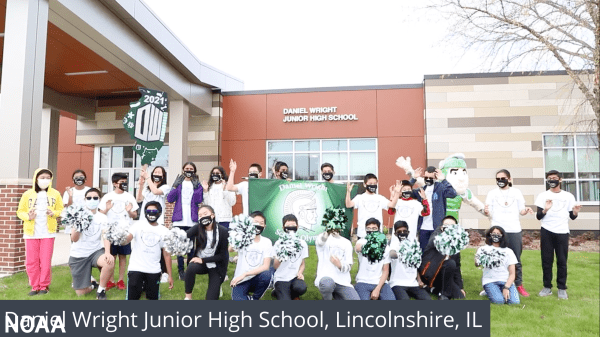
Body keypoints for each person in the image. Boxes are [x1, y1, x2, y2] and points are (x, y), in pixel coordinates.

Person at [484, 169, 534, 297]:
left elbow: (521, 210)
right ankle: (492, 284)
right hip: (497, 230)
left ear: (509, 179)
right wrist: (486, 211)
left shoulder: (516, 192)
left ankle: (518, 285)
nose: (500, 181)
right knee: (494, 258)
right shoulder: (492, 193)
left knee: (515, 259)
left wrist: (526, 210)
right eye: (498, 179)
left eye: (503, 178)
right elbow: (488, 211)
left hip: (513, 229)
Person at [17, 168, 64, 296]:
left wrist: (53, 213)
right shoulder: (27, 194)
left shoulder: (55, 193)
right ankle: (34, 286)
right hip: (31, 233)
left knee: (45, 261)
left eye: (48, 178)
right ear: (36, 178)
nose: (45, 180)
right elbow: (20, 211)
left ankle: (44, 286)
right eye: (42, 177)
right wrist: (28, 216)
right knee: (31, 261)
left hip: (48, 233)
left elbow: (60, 209)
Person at [535, 170, 581, 300]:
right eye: (550, 178)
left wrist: (576, 212)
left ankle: (561, 288)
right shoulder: (543, 196)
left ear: (560, 180)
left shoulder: (568, 196)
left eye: (554, 178)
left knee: (562, 260)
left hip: (562, 231)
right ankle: (547, 287)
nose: (552, 180)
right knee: (546, 260)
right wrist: (545, 209)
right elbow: (538, 216)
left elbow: (572, 216)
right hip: (546, 230)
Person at [121, 202, 174, 300]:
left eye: (154, 211)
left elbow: (167, 255)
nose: (151, 213)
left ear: (159, 213)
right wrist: (120, 237)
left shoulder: (164, 231)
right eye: (148, 211)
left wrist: (170, 276)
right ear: (145, 213)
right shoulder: (138, 225)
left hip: (154, 271)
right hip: (136, 269)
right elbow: (127, 239)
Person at [68, 188, 114, 300]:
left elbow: (106, 235)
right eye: (89, 198)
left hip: (95, 252)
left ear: (99, 199)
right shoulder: (78, 214)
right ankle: (93, 284)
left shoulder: (103, 217)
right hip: (79, 255)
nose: (92, 200)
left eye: (95, 198)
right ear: (85, 199)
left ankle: (101, 291)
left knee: (109, 261)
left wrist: (107, 252)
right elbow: (74, 239)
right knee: (81, 293)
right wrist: (78, 226)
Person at [98, 172, 138, 290]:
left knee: (122, 256)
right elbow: (100, 214)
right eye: (121, 182)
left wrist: (129, 211)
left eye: (125, 182)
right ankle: (110, 281)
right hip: (110, 232)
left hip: (124, 232)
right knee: (111, 256)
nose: (124, 184)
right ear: (115, 184)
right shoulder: (107, 197)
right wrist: (107, 209)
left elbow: (134, 215)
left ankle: (120, 280)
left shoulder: (129, 197)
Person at [167, 162, 203, 281]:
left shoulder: (197, 184)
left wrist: (197, 188)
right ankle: (181, 271)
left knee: (191, 247)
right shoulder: (179, 183)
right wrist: (174, 186)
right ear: (183, 170)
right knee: (179, 247)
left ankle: (190, 270)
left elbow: (199, 200)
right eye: (186, 168)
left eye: (191, 169)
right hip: (179, 220)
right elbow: (170, 199)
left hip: (192, 220)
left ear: (194, 171)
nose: (188, 170)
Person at [184, 205, 229, 300]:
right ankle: (188, 298)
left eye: (205, 214)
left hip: (216, 265)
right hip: (201, 264)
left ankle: (217, 286)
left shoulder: (223, 231)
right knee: (191, 267)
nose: (203, 217)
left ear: (212, 215)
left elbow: (222, 256)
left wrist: (203, 260)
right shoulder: (198, 228)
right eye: (200, 215)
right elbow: (184, 236)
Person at [411, 166, 457, 251]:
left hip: (437, 227)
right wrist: (413, 178)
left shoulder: (440, 188)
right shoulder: (421, 190)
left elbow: (453, 194)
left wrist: (443, 180)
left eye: (430, 178)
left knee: (437, 252)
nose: (428, 179)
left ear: (435, 177)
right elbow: (406, 191)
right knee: (423, 252)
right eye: (426, 177)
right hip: (423, 228)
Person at [419, 215, 466, 300]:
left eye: (452, 226)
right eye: (446, 225)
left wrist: (460, 287)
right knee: (450, 263)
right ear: (441, 227)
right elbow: (435, 241)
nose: (449, 228)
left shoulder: (456, 244)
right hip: (430, 273)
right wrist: (447, 235)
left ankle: (433, 290)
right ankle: (443, 295)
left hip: (446, 275)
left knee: (459, 296)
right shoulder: (436, 236)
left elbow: (457, 267)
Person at [230, 211, 273, 300]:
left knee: (267, 274)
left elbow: (266, 266)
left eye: (261, 223)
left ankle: (255, 298)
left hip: (256, 278)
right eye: (255, 222)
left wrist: (245, 274)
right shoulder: (243, 238)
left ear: (264, 226)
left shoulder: (266, 242)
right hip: (241, 280)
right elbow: (230, 249)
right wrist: (239, 235)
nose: (258, 225)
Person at [345, 174, 401, 239]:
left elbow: (392, 205)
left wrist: (397, 192)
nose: (373, 185)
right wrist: (348, 192)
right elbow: (348, 205)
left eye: (375, 183)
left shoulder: (380, 198)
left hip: (378, 233)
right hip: (363, 233)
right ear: (365, 184)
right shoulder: (359, 197)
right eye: (370, 183)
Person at [475, 226, 520, 305]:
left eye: (498, 234)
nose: (496, 235)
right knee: (499, 301)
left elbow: (513, 274)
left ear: (503, 236)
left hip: (505, 281)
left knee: (514, 302)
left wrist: (506, 287)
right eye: (494, 233)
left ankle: (498, 290)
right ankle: (488, 290)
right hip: (490, 281)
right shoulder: (483, 249)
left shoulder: (509, 251)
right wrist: (477, 260)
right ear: (490, 235)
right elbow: (477, 264)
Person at [315, 224, 359, 300]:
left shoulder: (347, 243)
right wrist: (327, 233)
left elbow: (348, 266)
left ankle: (338, 296)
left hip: (342, 282)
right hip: (326, 279)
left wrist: (339, 265)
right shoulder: (323, 238)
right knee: (327, 285)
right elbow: (320, 242)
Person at [354, 218, 395, 300]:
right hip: (363, 281)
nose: (371, 231)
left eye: (374, 229)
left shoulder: (385, 247)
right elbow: (358, 248)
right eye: (368, 228)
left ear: (379, 229)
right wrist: (373, 244)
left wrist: (378, 289)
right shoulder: (362, 241)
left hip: (379, 282)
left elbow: (385, 270)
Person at [389, 221, 431, 300]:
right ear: (395, 234)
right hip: (397, 283)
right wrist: (401, 253)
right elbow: (392, 254)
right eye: (399, 232)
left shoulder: (413, 244)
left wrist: (419, 280)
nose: (402, 233)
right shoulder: (394, 244)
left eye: (405, 231)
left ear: (408, 232)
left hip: (413, 283)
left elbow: (415, 265)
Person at [271, 214, 309, 300]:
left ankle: (292, 293)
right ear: (283, 227)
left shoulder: (302, 243)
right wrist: (282, 255)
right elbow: (275, 266)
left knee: (301, 288)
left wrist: (300, 272)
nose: (291, 228)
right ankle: (277, 291)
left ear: (297, 226)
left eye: (293, 225)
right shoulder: (279, 243)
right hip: (281, 278)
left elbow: (302, 263)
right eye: (288, 226)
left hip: (294, 277)